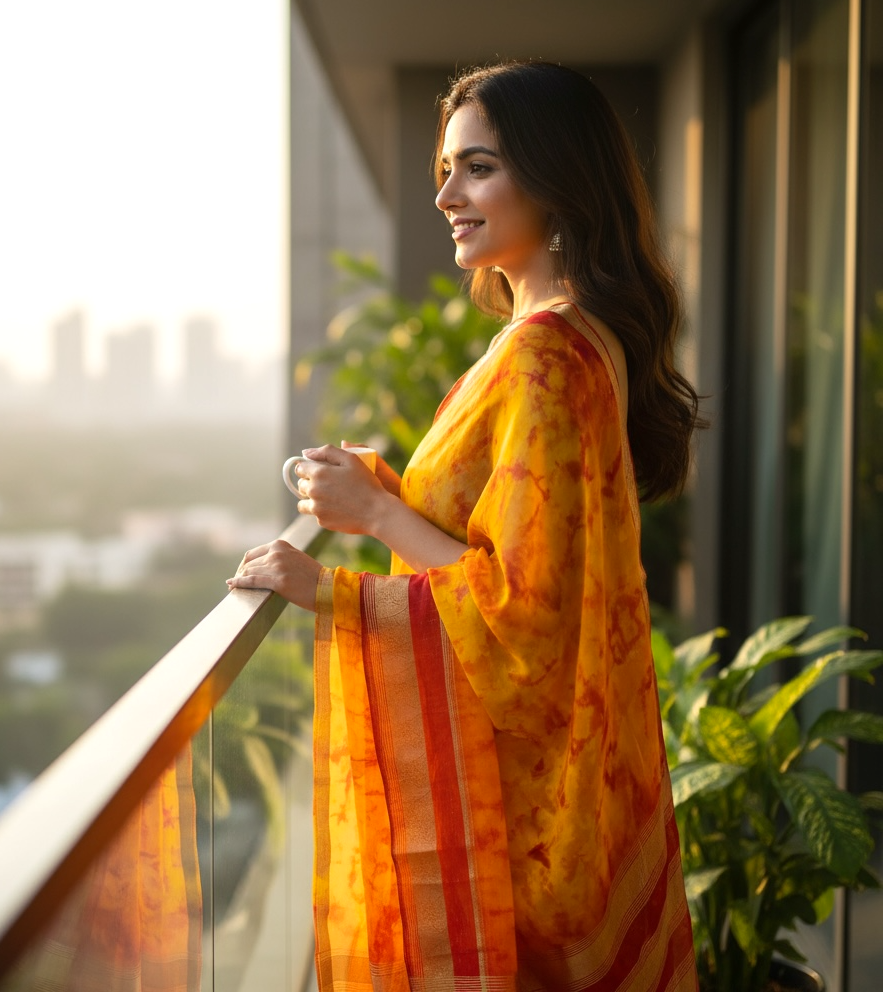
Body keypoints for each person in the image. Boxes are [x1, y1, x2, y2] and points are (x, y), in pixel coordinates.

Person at [228, 61, 701, 992]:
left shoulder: (544, 355)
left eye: (478, 169)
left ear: (558, 179)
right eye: (447, 170)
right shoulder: (579, 335)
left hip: (519, 823)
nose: (446, 196)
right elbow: (520, 545)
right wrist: (395, 499)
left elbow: (525, 612)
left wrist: (340, 574)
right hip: (569, 793)